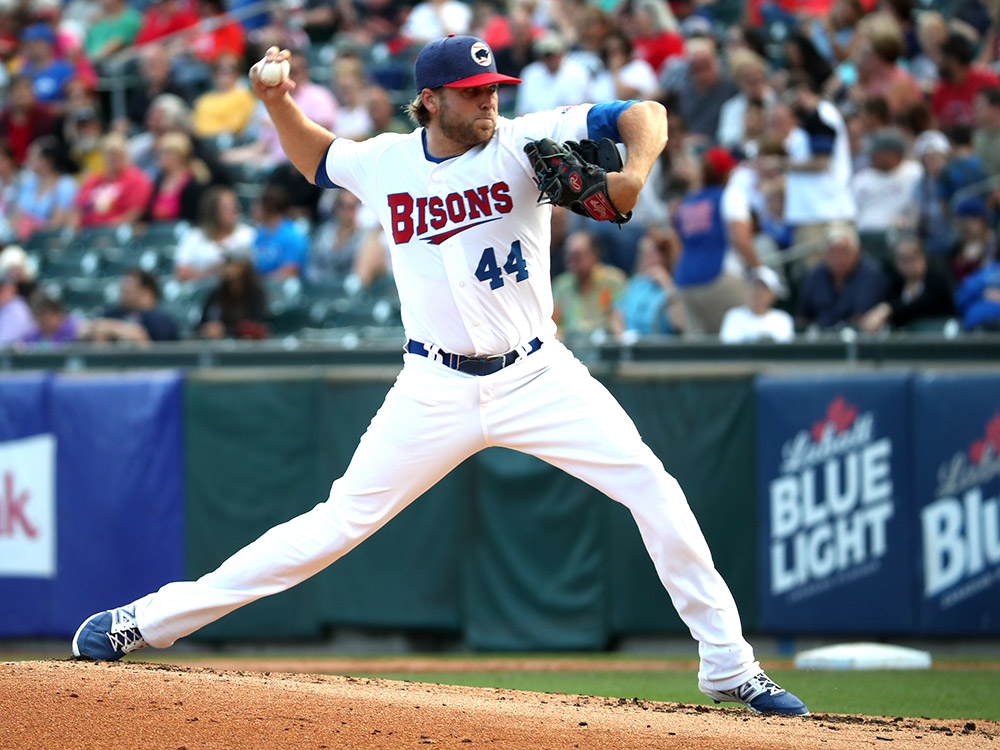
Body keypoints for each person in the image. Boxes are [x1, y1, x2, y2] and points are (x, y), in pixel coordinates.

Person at [71, 35, 808, 718]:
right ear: (430, 99)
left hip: (539, 374)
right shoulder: (389, 161)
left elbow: (644, 111)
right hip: (433, 387)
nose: (489, 100)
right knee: (335, 525)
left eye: (493, 87)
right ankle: (144, 622)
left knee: (655, 490)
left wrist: (634, 174)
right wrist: (275, 103)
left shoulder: (524, 140)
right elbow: (318, 159)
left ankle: (726, 662)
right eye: (472, 91)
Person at [796, 223, 889, 329]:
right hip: (821, 338)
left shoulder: (871, 272)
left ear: (857, 252)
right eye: (833, 252)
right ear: (824, 254)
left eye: (844, 251)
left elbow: (861, 316)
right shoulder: (816, 274)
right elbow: (802, 318)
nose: (838, 258)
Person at [859, 235, 955, 332]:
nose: (909, 264)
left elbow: (924, 305)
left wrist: (889, 309)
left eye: (914, 257)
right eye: (903, 259)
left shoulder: (938, 280)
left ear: (924, 257)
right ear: (896, 263)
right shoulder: (895, 284)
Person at [551, 230, 627, 339]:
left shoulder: (612, 281)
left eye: (577, 255)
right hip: (569, 345)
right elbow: (553, 323)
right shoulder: (561, 284)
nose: (570, 260)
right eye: (567, 254)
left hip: (604, 346)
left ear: (594, 255)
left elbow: (620, 321)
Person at [72, 133, 154, 229]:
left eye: (117, 154)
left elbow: (134, 214)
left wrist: (105, 230)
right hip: (88, 234)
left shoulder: (137, 180)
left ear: (125, 155)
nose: (113, 158)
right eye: (110, 153)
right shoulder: (92, 181)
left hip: (117, 234)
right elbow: (77, 210)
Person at [174, 186, 255, 281]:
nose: (235, 211)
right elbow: (181, 272)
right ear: (214, 211)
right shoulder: (195, 236)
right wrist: (212, 271)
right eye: (228, 207)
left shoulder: (248, 234)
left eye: (236, 206)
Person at [850, 128, 923, 232]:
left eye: (877, 153)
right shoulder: (861, 178)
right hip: (865, 234)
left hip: (900, 234)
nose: (872, 157)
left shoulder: (915, 173)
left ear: (894, 155)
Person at [86, 268, 180, 342]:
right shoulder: (113, 313)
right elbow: (96, 327)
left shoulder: (161, 320)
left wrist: (117, 328)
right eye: (122, 289)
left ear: (146, 292)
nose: (122, 292)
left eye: (128, 289)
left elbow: (156, 352)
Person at [197, 255, 268, 339]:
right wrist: (208, 328)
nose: (228, 269)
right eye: (226, 264)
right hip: (215, 342)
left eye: (232, 264)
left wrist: (225, 329)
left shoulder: (255, 294)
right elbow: (202, 322)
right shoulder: (217, 294)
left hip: (246, 343)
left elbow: (255, 324)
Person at [719, 266, 794, 343]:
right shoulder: (734, 316)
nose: (757, 293)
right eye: (754, 287)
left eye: (763, 289)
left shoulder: (782, 320)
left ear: (773, 295)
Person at [250, 184, 308, 280]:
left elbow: (291, 270)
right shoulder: (260, 233)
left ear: (269, 208)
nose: (253, 208)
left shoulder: (291, 235)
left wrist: (260, 283)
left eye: (259, 205)